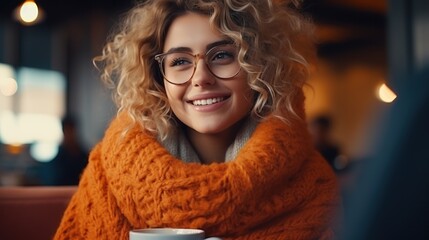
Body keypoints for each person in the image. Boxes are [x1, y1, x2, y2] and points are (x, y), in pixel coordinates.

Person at [54, 0, 340, 239]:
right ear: (158, 79)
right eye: (179, 61)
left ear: (261, 67)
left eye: (223, 55)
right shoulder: (109, 172)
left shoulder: (312, 185)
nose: (201, 77)